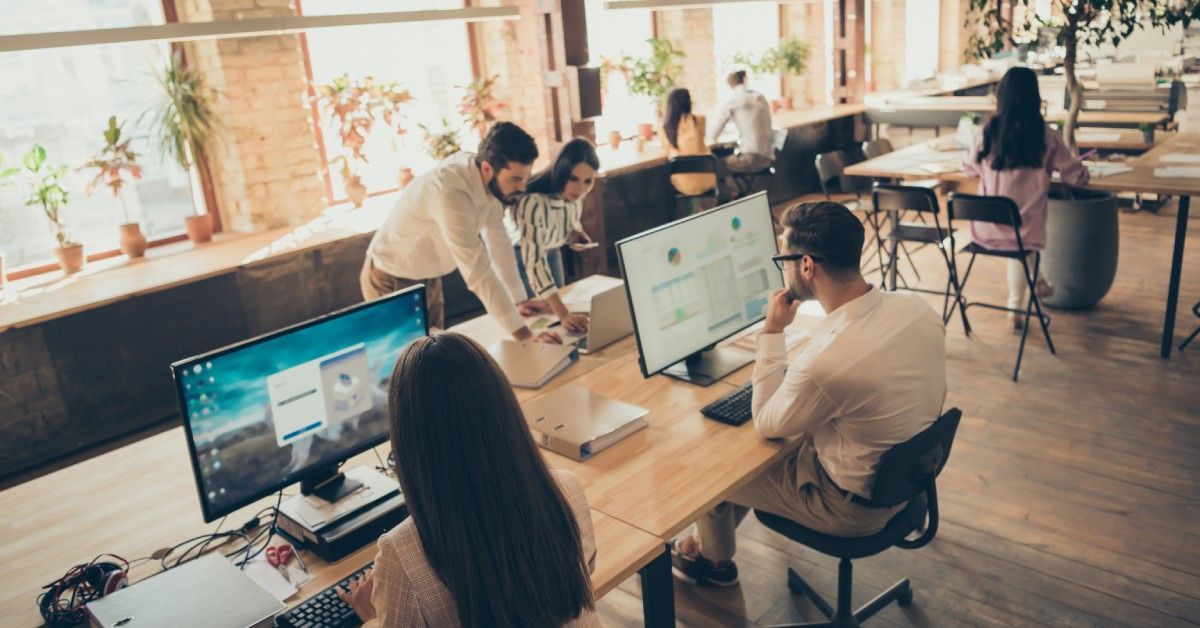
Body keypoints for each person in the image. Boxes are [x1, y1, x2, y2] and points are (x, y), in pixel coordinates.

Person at [671, 201, 947, 587]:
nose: (782, 270)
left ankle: (711, 561)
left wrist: (772, 332)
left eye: (783, 260)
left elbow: (767, 422)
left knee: (716, 465)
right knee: (768, 445)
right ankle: (703, 542)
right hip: (908, 481)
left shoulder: (827, 362)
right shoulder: (916, 308)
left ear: (805, 266)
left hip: (850, 510)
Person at [337, 332, 599, 627]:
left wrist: (370, 615)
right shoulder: (567, 490)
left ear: (409, 441)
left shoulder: (401, 554)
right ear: (504, 413)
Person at [360, 121, 560, 343]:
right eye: (515, 179)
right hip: (390, 277)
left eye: (525, 177)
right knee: (404, 357)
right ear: (487, 168)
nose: (522, 188)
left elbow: (499, 243)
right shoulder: (449, 190)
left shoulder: (491, 182)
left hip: (429, 277)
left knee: (432, 354)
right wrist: (525, 335)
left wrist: (518, 300)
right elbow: (479, 273)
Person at [961, 66, 1089, 332]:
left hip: (986, 229)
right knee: (1021, 243)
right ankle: (1017, 305)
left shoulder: (986, 133)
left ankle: (1022, 299)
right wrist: (1083, 169)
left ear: (1001, 96)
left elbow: (969, 168)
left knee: (1016, 240)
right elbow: (1074, 177)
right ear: (1035, 97)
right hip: (1027, 228)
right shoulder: (1047, 136)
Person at [509, 138, 600, 334]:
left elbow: (566, 223)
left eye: (588, 181)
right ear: (561, 171)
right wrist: (564, 314)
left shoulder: (575, 197)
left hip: (551, 250)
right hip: (521, 258)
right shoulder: (533, 202)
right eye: (573, 178)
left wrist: (573, 235)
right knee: (537, 320)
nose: (580, 189)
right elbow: (534, 262)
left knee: (556, 310)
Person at [709, 69, 775, 194]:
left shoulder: (734, 100)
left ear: (729, 84)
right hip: (768, 158)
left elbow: (713, 133)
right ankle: (737, 194)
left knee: (714, 165)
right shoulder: (760, 96)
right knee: (727, 159)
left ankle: (734, 196)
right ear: (745, 80)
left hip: (751, 159)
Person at [660, 87, 718, 207]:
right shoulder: (700, 120)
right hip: (707, 179)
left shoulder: (664, 127)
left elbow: (667, 151)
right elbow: (701, 138)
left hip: (683, 184)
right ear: (689, 102)